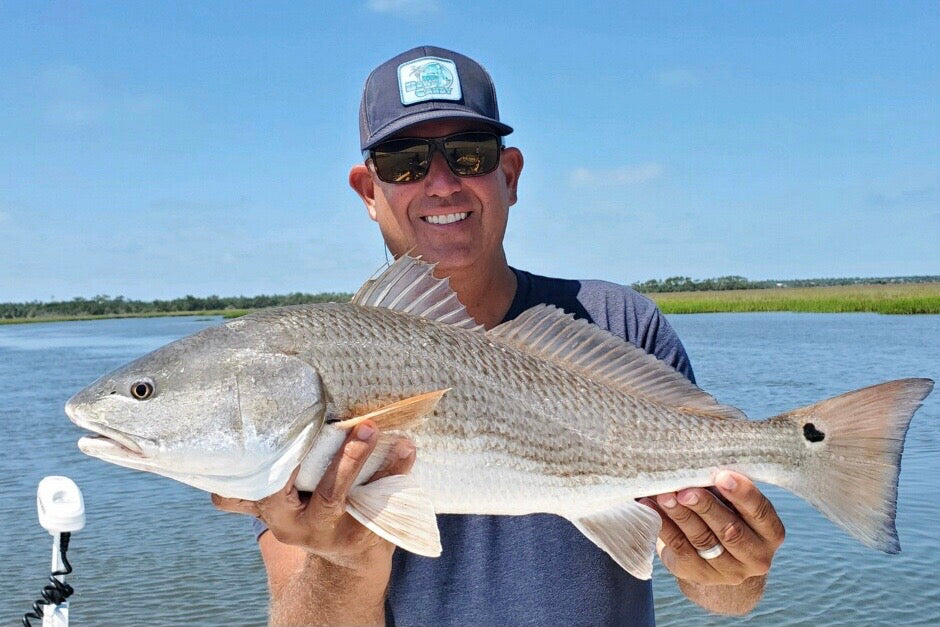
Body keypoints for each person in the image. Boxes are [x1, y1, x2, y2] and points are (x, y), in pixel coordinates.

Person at [213, 45, 785, 626]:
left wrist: (731, 566)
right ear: (368, 191)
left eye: (468, 155)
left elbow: (725, 595)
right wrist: (345, 559)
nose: (441, 184)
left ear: (508, 175)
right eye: (405, 162)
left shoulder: (620, 322)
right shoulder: (310, 372)